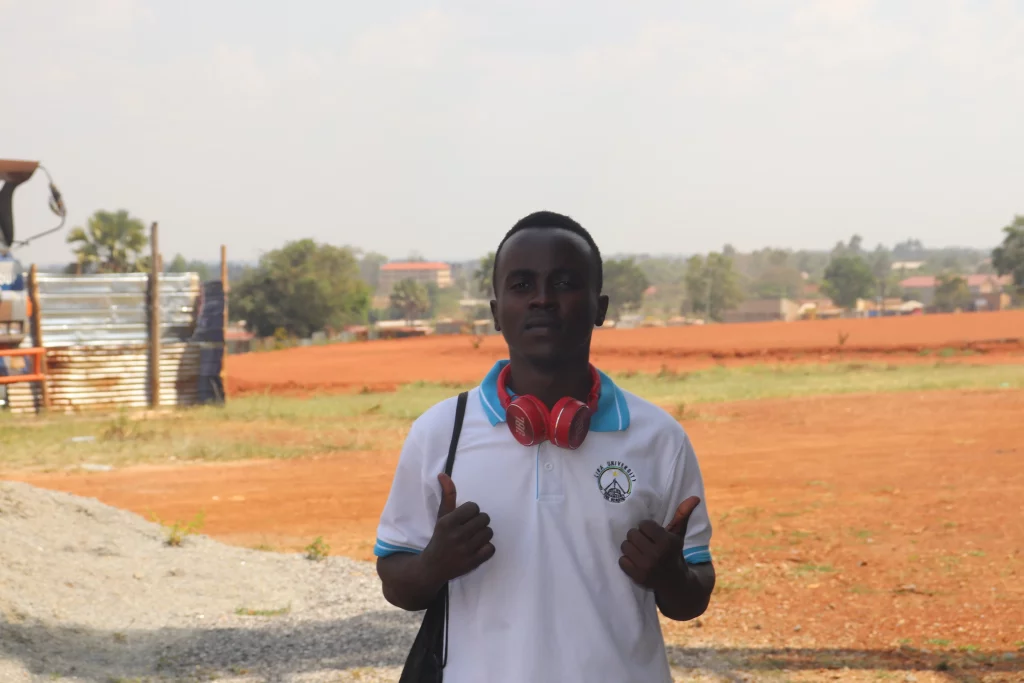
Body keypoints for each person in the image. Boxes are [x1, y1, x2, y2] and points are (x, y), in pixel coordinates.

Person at [374, 211, 715, 682]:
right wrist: (433, 564)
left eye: (564, 283)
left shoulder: (658, 438)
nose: (542, 300)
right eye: (521, 285)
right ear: (496, 313)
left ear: (600, 307)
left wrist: (671, 575)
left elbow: (693, 595)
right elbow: (396, 579)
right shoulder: (440, 433)